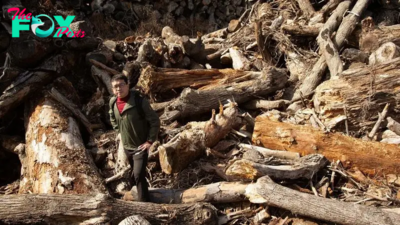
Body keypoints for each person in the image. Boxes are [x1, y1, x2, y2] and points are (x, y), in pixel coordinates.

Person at [109, 74, 160, 202]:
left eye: (121, 85)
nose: (119, 89)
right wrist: (119, 132)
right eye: (115, 86)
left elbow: (155, 121)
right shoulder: (113, 102)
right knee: (135, 174)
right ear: (112, 89)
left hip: (140, 146)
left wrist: (149, 141)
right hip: (126, 146)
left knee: (138, 175)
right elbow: (112, 118)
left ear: (127, 85)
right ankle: (137, 195)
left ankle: (145, 205)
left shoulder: (139, 101)